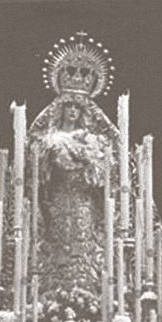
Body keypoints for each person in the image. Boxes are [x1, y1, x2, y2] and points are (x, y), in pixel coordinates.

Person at [34, 96, 113, 295]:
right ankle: (55, 290)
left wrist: (88, 159)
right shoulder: (49, 139)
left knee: (83, 242)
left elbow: (102, 171)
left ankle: (86, 288)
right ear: (60, 109)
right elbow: (39, 174)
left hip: (83, 200)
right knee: (58, 242)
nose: (72, 111)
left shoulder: (90, 140)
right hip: (58, 201)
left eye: (77, 107)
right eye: (68, 106)